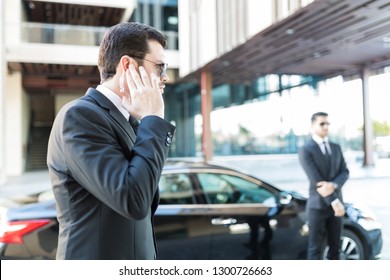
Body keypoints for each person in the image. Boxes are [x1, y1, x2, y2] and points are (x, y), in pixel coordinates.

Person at [47, 22, 176, 260]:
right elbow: (133, 200)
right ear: (127, 65)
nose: (165, 76)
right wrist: (154, 118)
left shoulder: (131, 121)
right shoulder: (79, 116)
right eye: (160, 66)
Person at [298, 112, 349, 260]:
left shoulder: (336, 147)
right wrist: (335, 202)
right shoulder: (305, 150)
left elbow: (345, 171)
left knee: (336, 250)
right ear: (312, 126)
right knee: (315, 250)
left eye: (328, 123)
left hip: (336, 208)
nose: (326, 126)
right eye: (322, 123)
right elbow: (318, 182)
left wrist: (333, 185)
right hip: (318, 208)